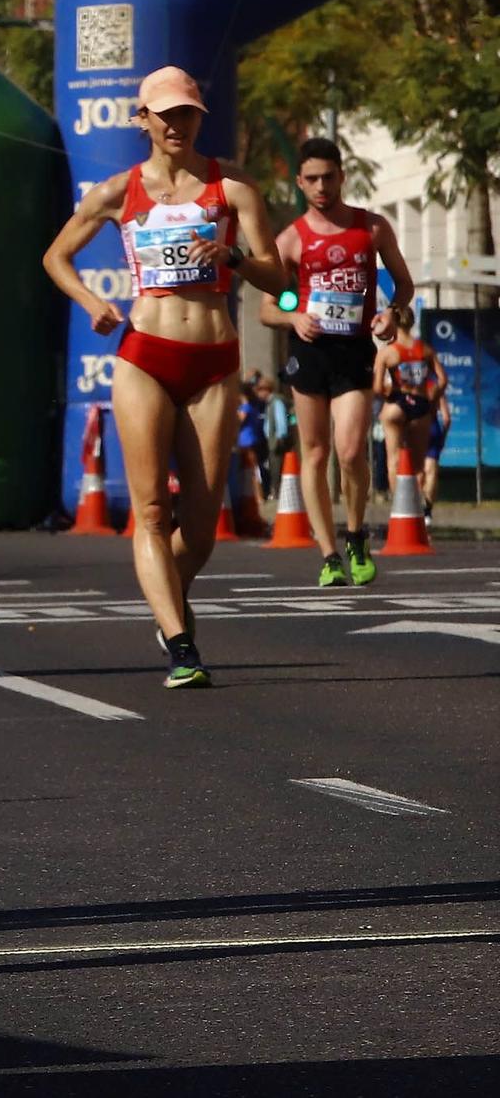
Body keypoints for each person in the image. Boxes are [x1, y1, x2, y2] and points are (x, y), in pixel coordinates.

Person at [43, 66, 285, 688]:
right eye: (166, 114)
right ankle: (180, 642)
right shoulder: (119, 191)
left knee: (201, 529)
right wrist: (91, 303)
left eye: (188, 114)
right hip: (145, 355)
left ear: (200, 118)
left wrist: (233, 257)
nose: (178, 124)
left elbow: (279, 278)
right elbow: (56, 256)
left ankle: (166, 599)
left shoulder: (232, 188)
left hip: (213, 362)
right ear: (142, 121)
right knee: (151, 511)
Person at [260, 139, 413, 587]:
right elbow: (266, 308)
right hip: (309, 353)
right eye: (312, 179)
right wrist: (292, 315)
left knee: (349, 451)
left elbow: (404, 285)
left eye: (329, 177)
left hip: (353, 351)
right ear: (300, 182)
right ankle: (328, 554)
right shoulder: (290, 238)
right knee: (315, 452)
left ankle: (356, 534)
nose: (321, 186)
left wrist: (393, 313)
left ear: (342, 176)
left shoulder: (373, 228)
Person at [376, 306, 445, 483]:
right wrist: (433, 399)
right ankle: (417, 508)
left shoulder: (387, 353)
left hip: (396, 403)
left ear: (394, 323)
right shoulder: (426, 350)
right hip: (420, 403)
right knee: (418, 466)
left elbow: (377, 388)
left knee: (394, 461)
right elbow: (442, 380)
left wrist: (389, 393)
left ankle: (397, 508)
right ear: (413, 322)